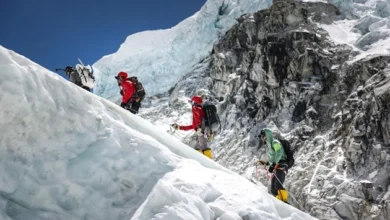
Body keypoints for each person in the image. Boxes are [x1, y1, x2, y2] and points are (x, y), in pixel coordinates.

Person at [257, 128, 289, 202]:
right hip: (276, 166)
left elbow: (279, 153)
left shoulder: (275, 142)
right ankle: (279, 201)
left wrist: (273, 164)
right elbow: (273, 158)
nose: (262, 138)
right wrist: (266, 163)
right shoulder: (269, 147)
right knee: (273, 189)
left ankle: (284, 201)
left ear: (266, 135)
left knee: (278, 185)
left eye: (262, 136)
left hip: (281, 165)